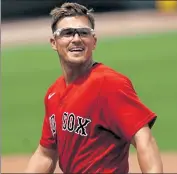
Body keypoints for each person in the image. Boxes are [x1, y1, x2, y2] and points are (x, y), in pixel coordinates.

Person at [25, 2, 163, 173]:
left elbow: (144, 140)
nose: (76, 39)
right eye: (67, 33)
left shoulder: (109, 83)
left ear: (94, 41)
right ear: (54, 42)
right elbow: (46, 154)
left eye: (84, 33)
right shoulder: (53, 93)